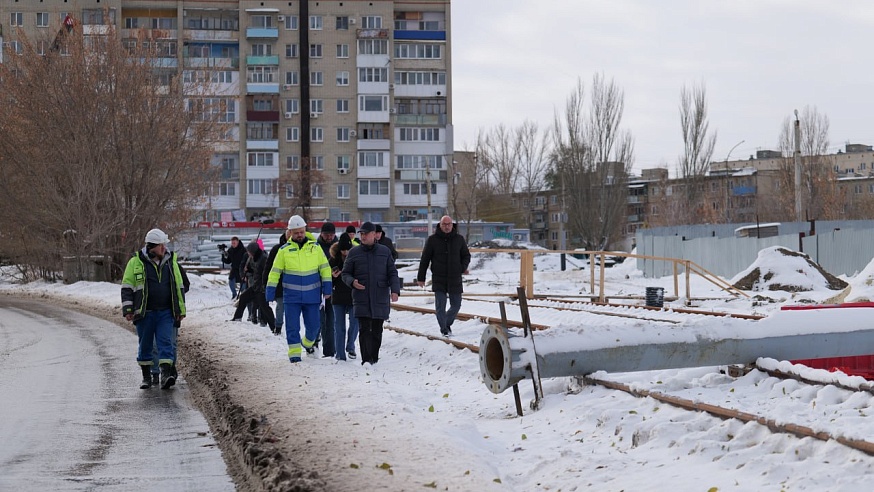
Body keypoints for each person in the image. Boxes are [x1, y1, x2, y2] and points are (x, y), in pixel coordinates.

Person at [122, 228, 187, 389]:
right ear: (152, 247)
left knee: (166, 342)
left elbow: (179, 287)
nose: (164, 249)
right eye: (161, 246)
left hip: (166, 312)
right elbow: (127, 287)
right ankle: (147, 376)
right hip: (144, 313)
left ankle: (166, 375)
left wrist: (180, 311)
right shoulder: (135, 262)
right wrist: (128, 310)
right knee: (146, 345)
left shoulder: (171, 262)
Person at [266, 215, 332, 363]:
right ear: (290, 233)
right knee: (292, 327)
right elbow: (274, 272)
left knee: (314, 327)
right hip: (291, 297)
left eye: (301, 232)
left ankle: (308, 342)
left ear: (305, 230)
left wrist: (327, 288)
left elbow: (325, 269)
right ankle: (294, 354)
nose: (299, 235)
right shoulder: (284, 251)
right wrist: (270, 291)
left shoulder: (315, 248)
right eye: (296, 232)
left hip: (312, 297)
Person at [341, 221, 400, 365]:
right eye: (361, 234)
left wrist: (395, 290)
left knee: (377, 330)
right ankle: (366, 360)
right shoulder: (354, 252)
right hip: (362, 296)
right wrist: (352, 282)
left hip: (380, 296)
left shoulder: (384, 251)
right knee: (365, 329)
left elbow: (392, 272)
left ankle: (374, 357)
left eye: (366, 234)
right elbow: (345, 273)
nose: (363, 236)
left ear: (374, 235)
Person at [416, 215, 471, 336]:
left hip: (455, 277)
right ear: (440, 225)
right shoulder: (432, 240)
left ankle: (447, 323)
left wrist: (462, 267)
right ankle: (444, 329)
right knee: (440, 306)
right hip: (439, 278)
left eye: (449, 224)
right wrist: (421, 278)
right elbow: (425, 259)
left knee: (456, 305)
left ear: (452, 225)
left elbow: (466, 255)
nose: (447, 227)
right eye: (444, 224)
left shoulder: (459, 239)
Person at [230, 241, 276, 331]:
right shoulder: (253, 258)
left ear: (253, 251)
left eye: (249, 252)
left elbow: (266, 272)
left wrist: (265, 286)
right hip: (255, 286)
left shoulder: (264, 258)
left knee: (264, 307)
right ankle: (237, 317)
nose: (248, 254)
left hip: (262, 288)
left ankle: (274, 327)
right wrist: (249, 270)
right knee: (243, 297)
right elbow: (255, 270)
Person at [329, 236, 358, 360]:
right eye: (343, 250)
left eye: (347, 250)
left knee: (355, 323)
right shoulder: (333, 261)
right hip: (338, 296)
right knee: (339, 326)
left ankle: (350, 346)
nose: (345, 253)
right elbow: (327, 280)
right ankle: (340, 355)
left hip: (353, 296)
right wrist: (333, 277)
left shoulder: (357, 259)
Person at [317, 222, 338, 357]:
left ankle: (329, 351)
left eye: (331, 235)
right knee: (317, 320)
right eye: (326, 235)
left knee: (331, 321)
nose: (329, 237)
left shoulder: (339, 247)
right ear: (321, 234)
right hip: (317, 289)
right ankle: (313, 345)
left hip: (334, 288)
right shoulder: (315, 247)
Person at [263, 229, 288, 335]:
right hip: (280, 284)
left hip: (295, 285)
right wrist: (266, 282)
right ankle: (278, 326)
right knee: (280, 307)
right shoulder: (277, 249)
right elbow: (268, 266)